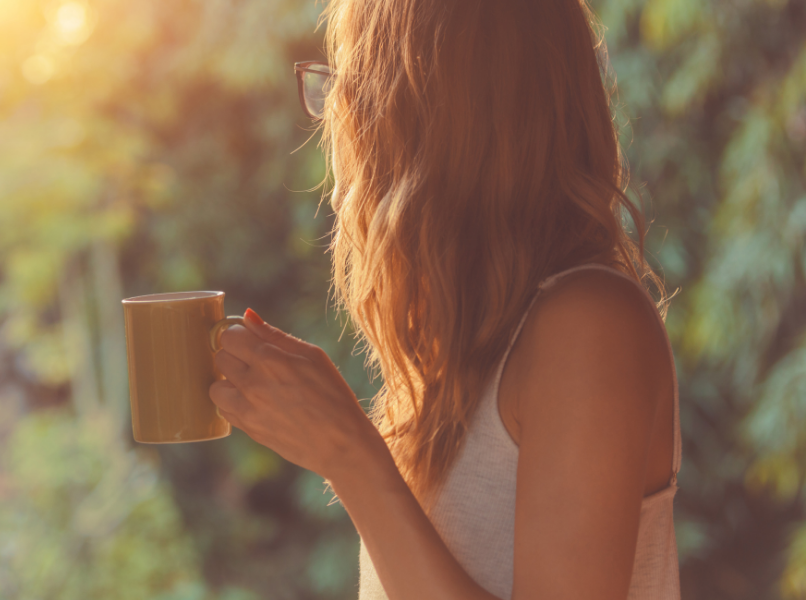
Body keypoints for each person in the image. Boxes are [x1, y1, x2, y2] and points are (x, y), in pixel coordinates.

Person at [208, 0, 681, 598]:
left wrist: (350, 455)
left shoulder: (589, 327)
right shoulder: (460, 350)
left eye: (355, 86)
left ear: (425, 113)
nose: (342, 122)